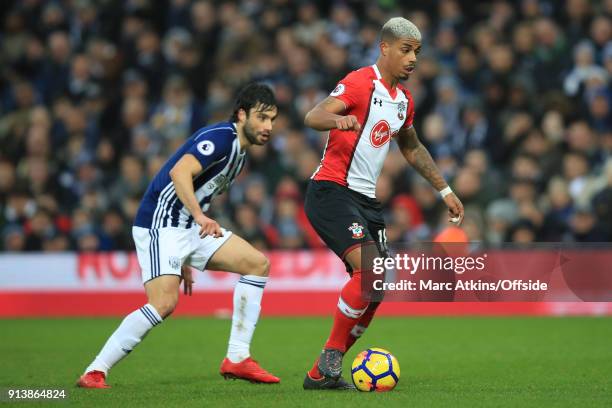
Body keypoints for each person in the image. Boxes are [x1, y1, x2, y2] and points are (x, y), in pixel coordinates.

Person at [77, 83, 280, 388]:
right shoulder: (221, 138)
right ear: (242, 114)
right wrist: (198, 217)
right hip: (162, 222)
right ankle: (95, 371)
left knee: (257, 264)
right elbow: (179, 172)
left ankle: (237, 358)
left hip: (187, 227)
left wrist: (185, 250)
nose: (268, 126)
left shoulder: (239, 152)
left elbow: (199, 189)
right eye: (262, 118)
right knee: (163, 304)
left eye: (272, 120)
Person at [302, 17, 464, 390]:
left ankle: (320, 375)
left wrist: (444, 190)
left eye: (417, 53)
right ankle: (330, 357)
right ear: (385, 48)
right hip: (331, 191)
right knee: (367, 272)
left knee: (377, 286)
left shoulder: (403, 101)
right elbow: (314, 115)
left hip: (366, 202)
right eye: (406, 50)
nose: (412, 59)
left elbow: (411, 146)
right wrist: (335, 121)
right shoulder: (360, 82)